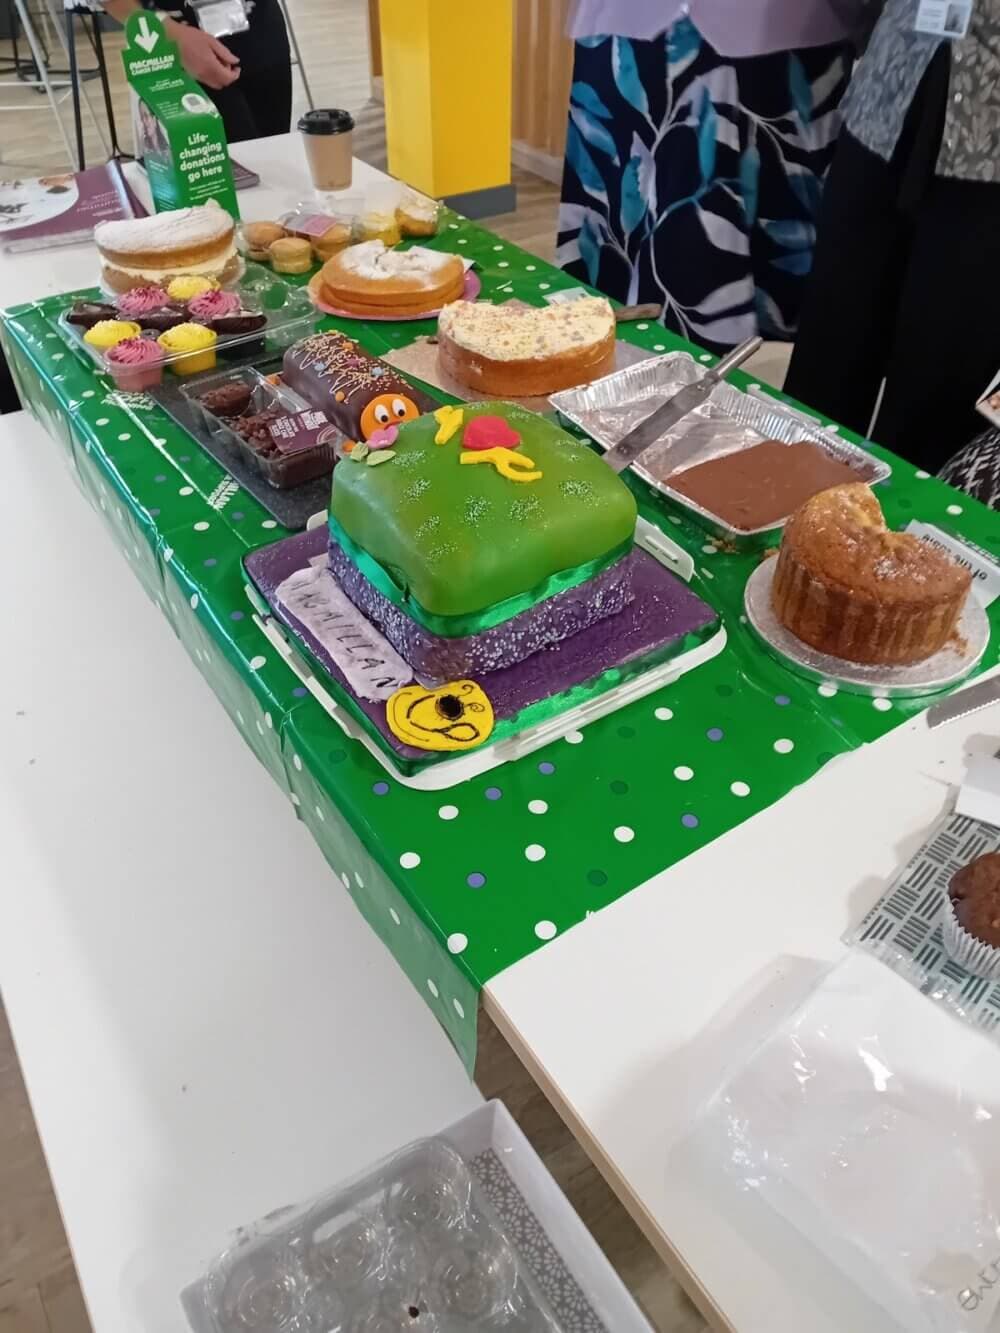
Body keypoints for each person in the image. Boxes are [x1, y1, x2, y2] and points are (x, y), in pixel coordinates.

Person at [557, 1, 876, 354]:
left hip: (783, 32)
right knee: (616, 265)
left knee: (711, 266)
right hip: (627, 26)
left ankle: (674, 379)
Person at [784, 1, 1000, 473]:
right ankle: (785, 495)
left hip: (990, 150)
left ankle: (910, 515)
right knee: (830, 348)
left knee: (943, 376)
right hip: (889, 91)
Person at [102, 0, 292, 143]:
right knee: (218, 172)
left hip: (261, 30)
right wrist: (171, 34)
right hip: (174, 44)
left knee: (274, 160)